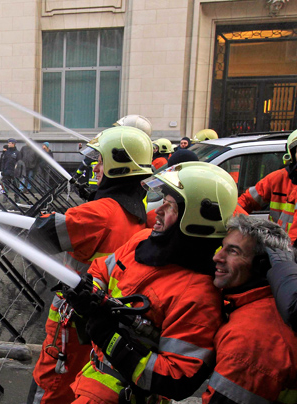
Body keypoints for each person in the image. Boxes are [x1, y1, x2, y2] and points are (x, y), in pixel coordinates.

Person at [64, 162, 238, 404]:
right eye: (162, 200)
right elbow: (101, 270)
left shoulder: (199, 295)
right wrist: (89, 292)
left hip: (124, 396)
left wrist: (110, 338)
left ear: (195, 217)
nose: (158, 211)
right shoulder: (144, 240)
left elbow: (177, 378)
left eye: (170, 206)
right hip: (93, 380)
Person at [25, 126, 153, 404]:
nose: (96, 166)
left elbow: (42, 234)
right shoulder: (135, 208)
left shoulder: (100, 212)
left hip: (72, 322)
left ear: (118, 167)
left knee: (52, 386)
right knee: (79, 384)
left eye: (101, 160)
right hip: (101, 320)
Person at [203, 215, 297, 404]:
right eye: (222, 247)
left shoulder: (249, 338)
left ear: (261, 266)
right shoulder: (267, 303)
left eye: (233, 252)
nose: (217, 257)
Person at [237, 129, 297, 244]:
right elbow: (243, 203)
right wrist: (247, 229)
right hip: (278, 250)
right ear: (292, 154)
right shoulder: (278, 179)